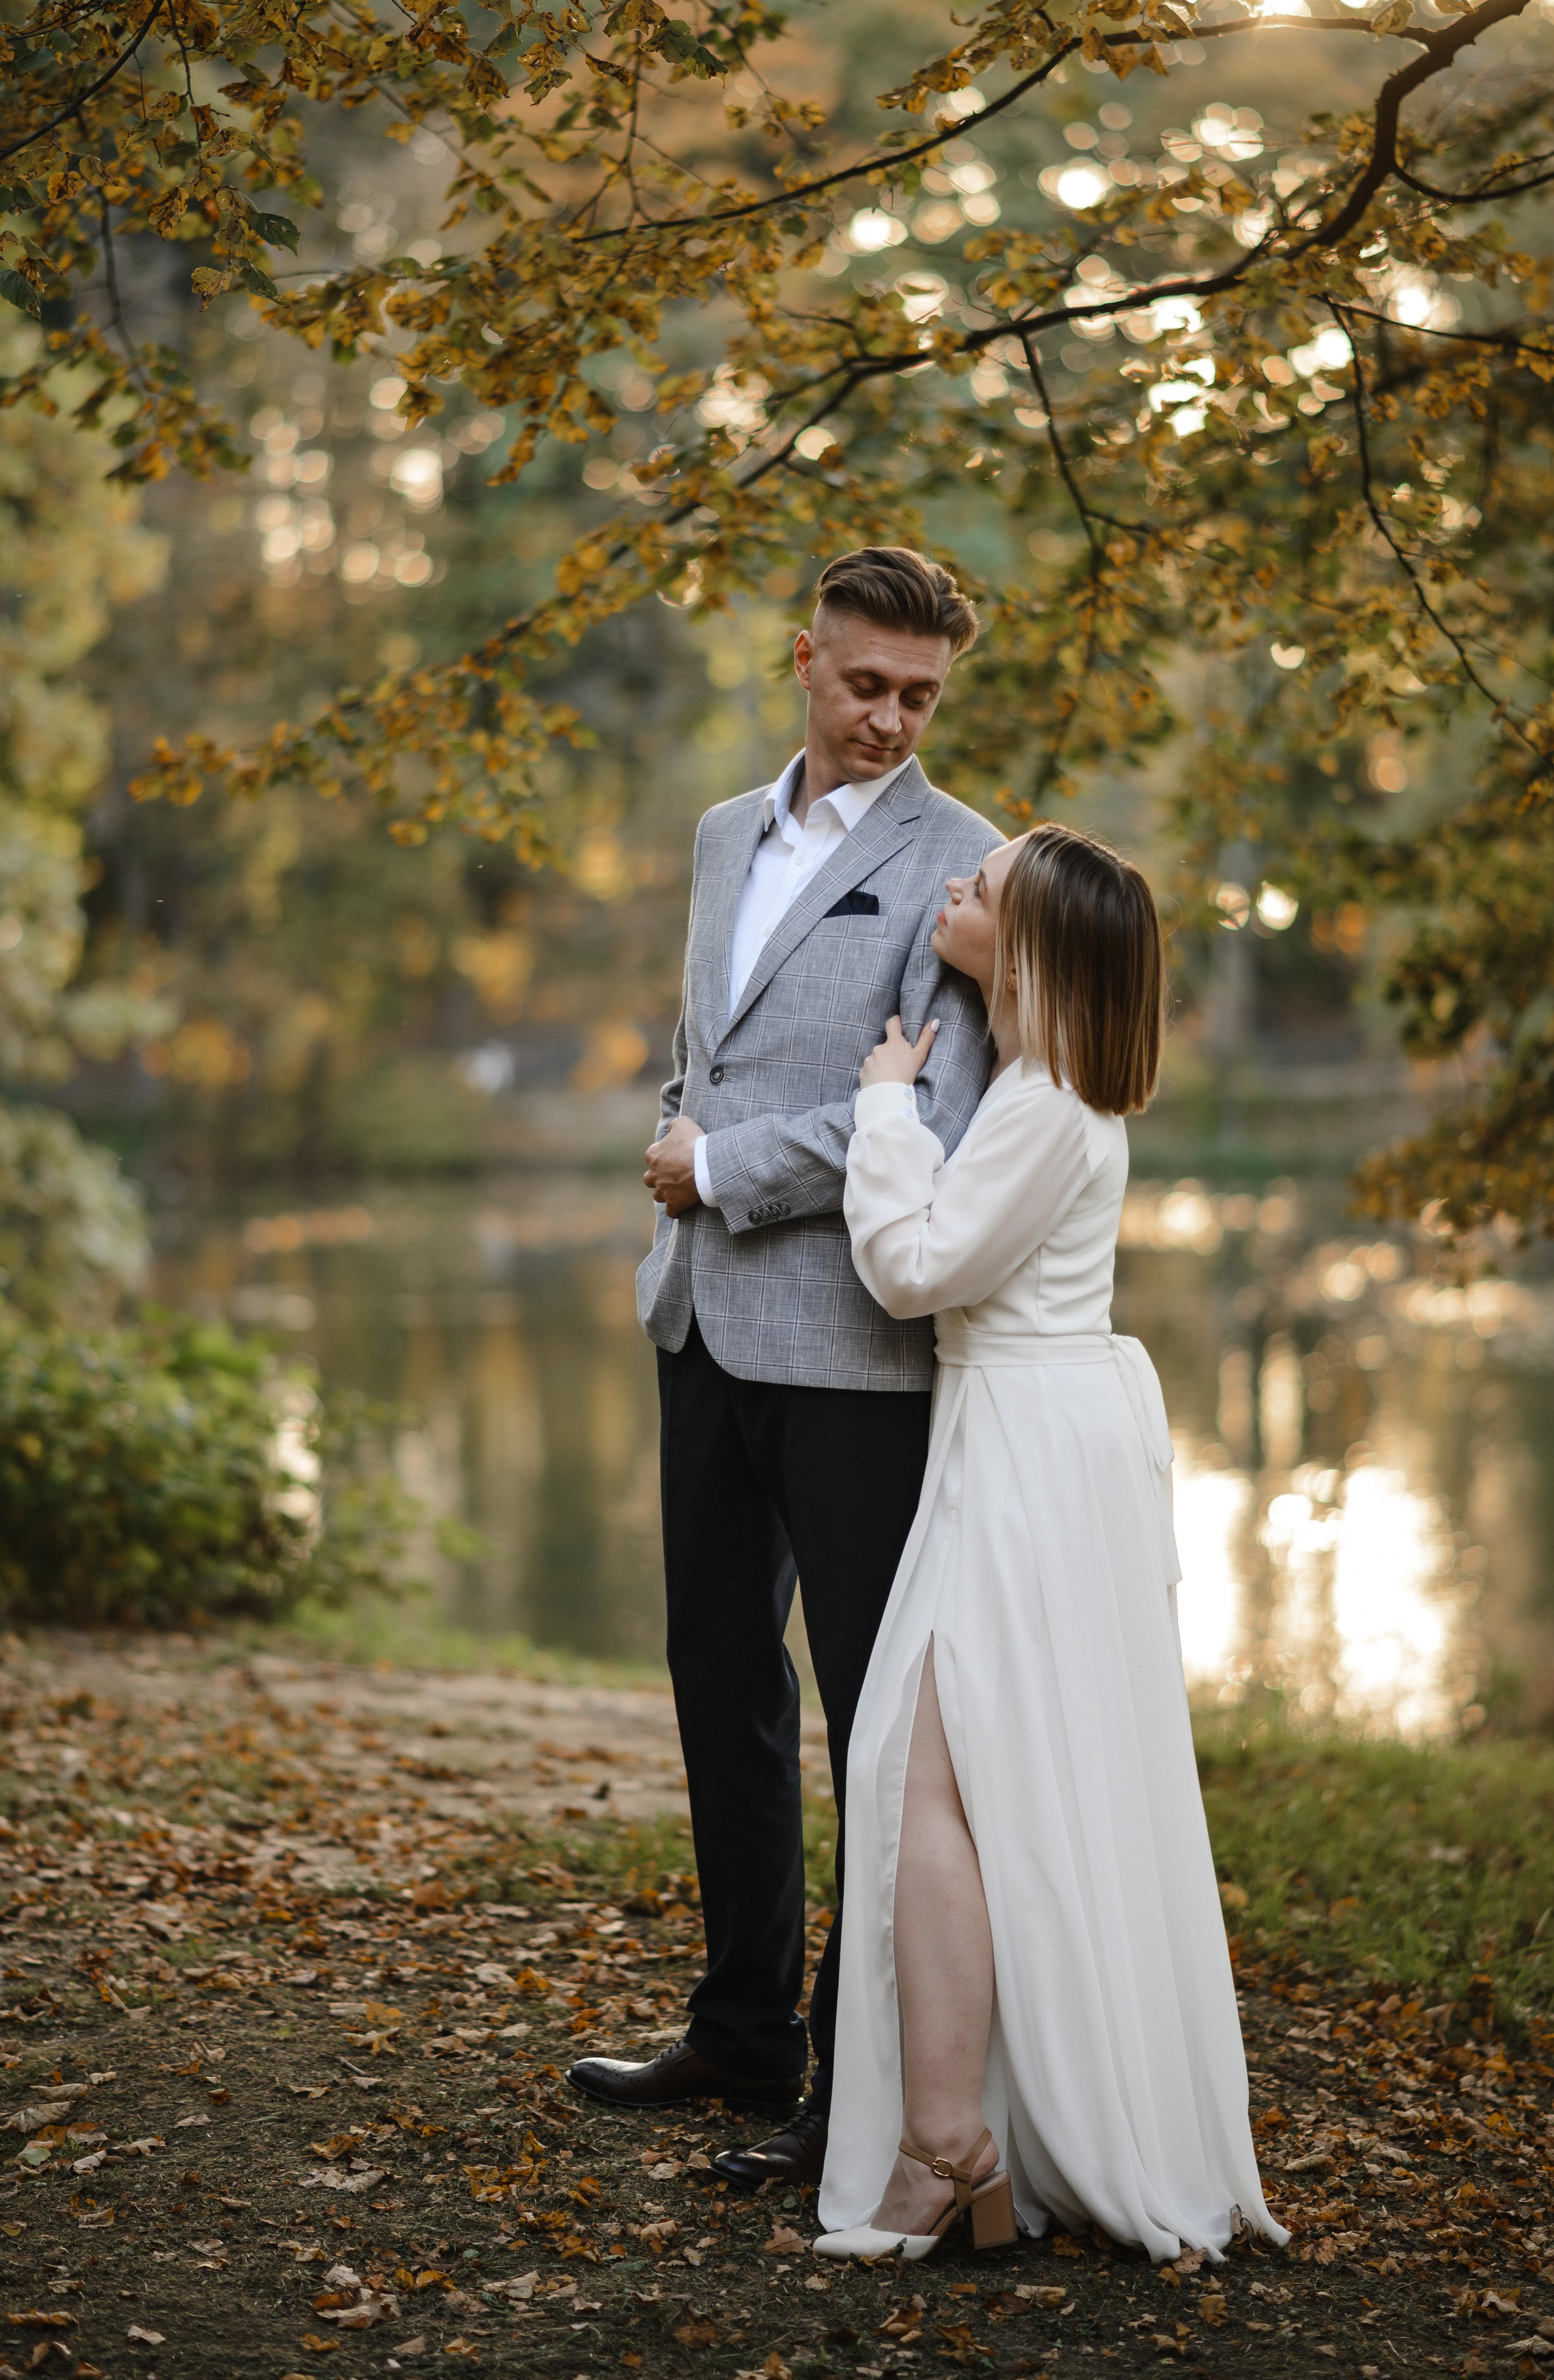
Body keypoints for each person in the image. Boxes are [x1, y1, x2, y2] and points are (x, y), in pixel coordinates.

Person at [566, 546, 1004, 2193]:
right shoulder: (716, 835)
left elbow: (928, 1112)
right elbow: (708, 1047)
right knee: (719, 1684)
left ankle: (861, 2090)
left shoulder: (966, 863)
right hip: (697, 1320)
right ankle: (743, 2033)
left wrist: (718, 1167)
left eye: (920, 695)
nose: (890, 718)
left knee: (870, 1728)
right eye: (866, 682)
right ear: (803, 660)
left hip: (855, 1351)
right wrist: (670, 1140)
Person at [814, 824, 1288, 2264]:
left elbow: (913, 1269)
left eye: (988, 886)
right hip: (1024, 1436)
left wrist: (884, 1111)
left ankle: (946, 2145)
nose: (958, 884)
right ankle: (960, 2138)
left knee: (921, 1775)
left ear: (1026, 950)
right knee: (957, 1780)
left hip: (1024, 1451)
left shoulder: (1044, 1108)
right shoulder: (1043, 1087)